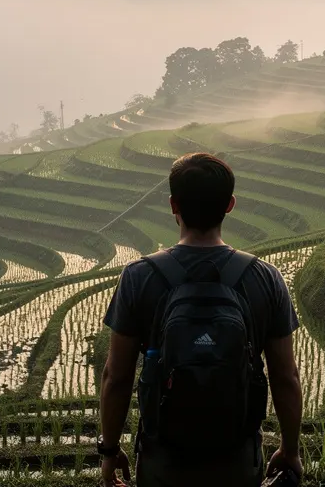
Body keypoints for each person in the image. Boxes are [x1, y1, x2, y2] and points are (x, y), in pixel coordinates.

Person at [99, 153, 304, 487]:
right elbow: (285, 377)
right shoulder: (265, 278)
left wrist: (109, 451)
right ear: (230, 205)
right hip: (237, 460)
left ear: (173, 205)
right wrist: (290, 450)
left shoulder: (138, 277)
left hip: (162, 461)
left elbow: (116, 377)